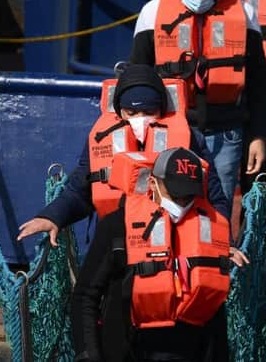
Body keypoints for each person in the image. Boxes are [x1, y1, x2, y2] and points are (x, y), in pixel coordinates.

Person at [129, 0, 266, 217]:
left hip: (225, 133)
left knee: (218, 209)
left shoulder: (244, 14)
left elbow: (258, 85)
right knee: (169, 204)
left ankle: (217, 259)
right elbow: (137, 76)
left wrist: (258, 136)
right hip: (172, 127)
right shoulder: (152, 14)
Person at [16, 64, 229, 246]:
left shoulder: (190, 139)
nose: (140, 119)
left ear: (161, 110)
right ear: (120, 111)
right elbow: (79, 190)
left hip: (172, 243)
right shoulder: (102, 139)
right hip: (115, 243)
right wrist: (52, 217)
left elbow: (214, 197)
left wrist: (223, 243)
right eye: (132, 112)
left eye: (149, 112)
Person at [75, 147, 249, 362]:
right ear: (153, 184)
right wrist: (88, 355)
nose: (182, 203)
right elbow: (85, 295)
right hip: (128, 348)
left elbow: (215, 310)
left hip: (190, 349)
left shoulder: (210, 231)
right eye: (175, 194)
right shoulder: (117, 226)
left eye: (188, 197)